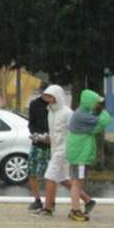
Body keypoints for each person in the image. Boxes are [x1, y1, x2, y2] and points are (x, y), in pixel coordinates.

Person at [36, 85, 92, 216]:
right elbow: (54, 133)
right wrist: (45, 138)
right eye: (46, 96)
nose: (47, 99)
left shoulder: (68, 113)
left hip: (65, 149)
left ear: (58, 96)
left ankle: (48, 208)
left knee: (49, 176)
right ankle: (88, 200)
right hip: (55, 149)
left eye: (50, 96)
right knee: (62, 178)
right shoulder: (50, 111)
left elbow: (75, 131)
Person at [65, 89, 111, 222]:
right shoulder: (83, 115)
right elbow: (105, 120)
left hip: (79, 153)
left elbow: (96, 128)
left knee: (77, 182)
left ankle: (76, 209)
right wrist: (102, 109)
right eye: (96, 102)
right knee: (77, 183)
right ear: (90, 102)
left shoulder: (82, 112)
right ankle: (75, 210)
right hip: (80, 155)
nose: (98, 105)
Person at [26, 83, 50, 211]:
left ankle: (49, 202)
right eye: (45, 93)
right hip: (37, 143)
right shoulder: (34, 104)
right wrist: (36, 135)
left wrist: (50, 138)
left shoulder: (55, 105)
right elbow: (31, 123)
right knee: (31, 171)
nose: (47, 96)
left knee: (49, 175)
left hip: (52, 145)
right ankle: (37, 199)